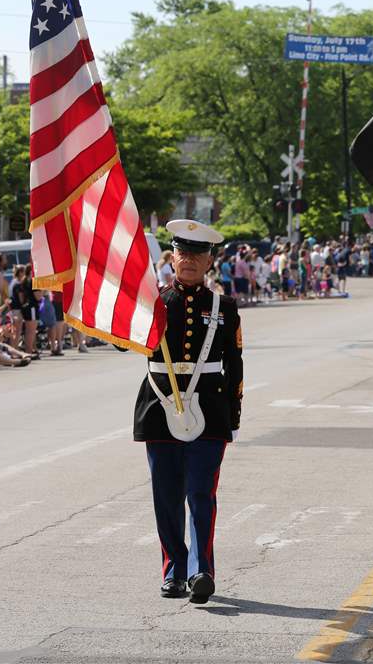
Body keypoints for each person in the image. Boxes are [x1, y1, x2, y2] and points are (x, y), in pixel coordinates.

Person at [134, 219, 243, 604]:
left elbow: (235, 365)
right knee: (166, 497)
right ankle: (174, 572)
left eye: (198, 254)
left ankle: (201, 571)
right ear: (173, 256)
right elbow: (122, 341)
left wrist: (232, 416)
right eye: (183, 253)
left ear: (210, 259)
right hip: (160, 409)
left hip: (209, 412)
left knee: (200, 494)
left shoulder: (225, 307)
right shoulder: (154, 302)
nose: (189, 260)